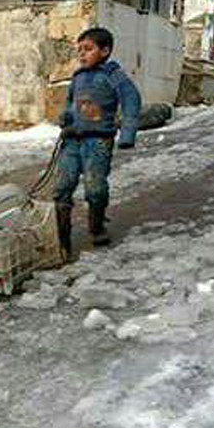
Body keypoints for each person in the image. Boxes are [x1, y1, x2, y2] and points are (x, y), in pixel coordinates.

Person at [54, 27, 142, 256]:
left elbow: (131, 99)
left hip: (98, 141)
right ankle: (61, 237)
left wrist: (128, 133)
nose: (82, 55)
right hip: (73, 140)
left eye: (88, 49)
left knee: (95, 187)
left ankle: (96, 225)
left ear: (105, 50)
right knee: (63, 185)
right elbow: (71, 103)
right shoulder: (78, 76)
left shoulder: (113, 74)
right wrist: (66, 117)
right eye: (79, 50)